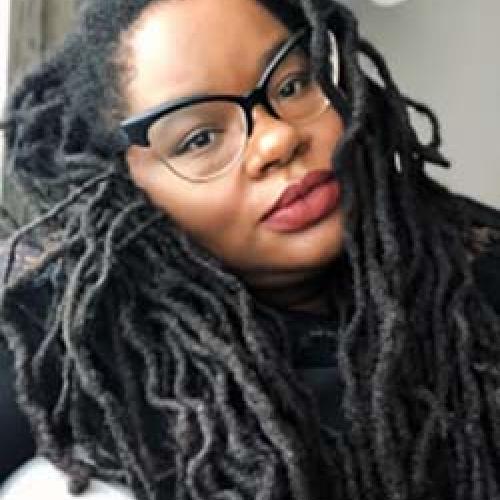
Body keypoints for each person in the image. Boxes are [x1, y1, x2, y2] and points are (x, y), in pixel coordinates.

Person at [0, 0, 500, 498]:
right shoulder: (61, 355)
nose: (278, 139)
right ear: (123, 187)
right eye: (199, 138)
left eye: (291, 85)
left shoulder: (473, 274)